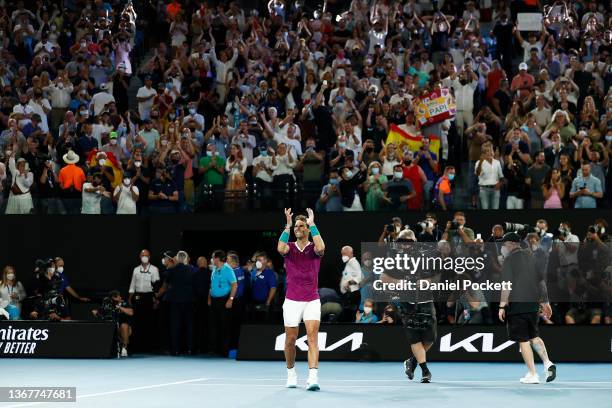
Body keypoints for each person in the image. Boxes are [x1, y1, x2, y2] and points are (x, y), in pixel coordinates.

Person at [498, 232, 556, 384]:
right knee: (533, 336)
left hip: (517, 305)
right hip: (532, 305)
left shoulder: (509, 260)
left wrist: (502, 306)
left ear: (511, 244)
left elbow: (506, 286)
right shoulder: (532, 257)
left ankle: (532, 374)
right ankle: (547, 362)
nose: (503, 247)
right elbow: (541, 282)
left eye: (504, 244)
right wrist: (545, 302)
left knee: (523, 340)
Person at [278, 208, 325, 390]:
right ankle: (291, 373)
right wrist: (287, 226)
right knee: (290, 340)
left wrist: (313, 224)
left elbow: (321, 247)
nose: (298, 228)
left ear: (306, 228)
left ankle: (313, 377)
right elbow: (280, 248)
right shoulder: (289, 247)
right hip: (291, 300)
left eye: (301, 226)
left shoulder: (314, 248)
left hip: (312, 299)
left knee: (312, 337)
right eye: (296, 226)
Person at [156, 251, 196, 356]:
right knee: (189, 326)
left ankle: (175, 350)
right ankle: (190, 349)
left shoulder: (171, 270)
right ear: (186, 259)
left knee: (175, 326)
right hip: (188, 301)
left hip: (175, 302)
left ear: (177, 259)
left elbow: (165, 281)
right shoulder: (192, 270)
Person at [128, 250, 160, 353]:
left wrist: (156, 300)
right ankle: (137, 347)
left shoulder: (154, 269)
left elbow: (156, 286)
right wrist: (129, 298)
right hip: (138, 296)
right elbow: (132, 285)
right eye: (143, 255)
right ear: (140, 256)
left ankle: (149, 347)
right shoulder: (136, 270)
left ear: (149, 257)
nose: (144, 257)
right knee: (137, 322)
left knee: (149, 322)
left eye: (146, 255)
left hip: (149, 297)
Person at [208, 250, 237, 357]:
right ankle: (214, 349)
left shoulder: (228, 269)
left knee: (224, 326)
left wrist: (231, 299)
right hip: (214, 300)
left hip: (224, 300)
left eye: (212, 257)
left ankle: (224, 350)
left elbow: (234, 285)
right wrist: (209, 297)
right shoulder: (214, 269)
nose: (211, 259)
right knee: (213, 325)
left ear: (217, 258)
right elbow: (211, 285)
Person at [93, 290, 134, 357]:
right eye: (118, 296)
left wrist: (119, 307)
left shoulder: (125, 303)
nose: (120, 297)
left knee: (124, 325)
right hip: (112, 328)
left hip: (124, 329)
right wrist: (96, 312)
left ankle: (124, 348)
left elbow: (131, 312)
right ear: (114, 298)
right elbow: (97, 312)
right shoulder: (108, 305)